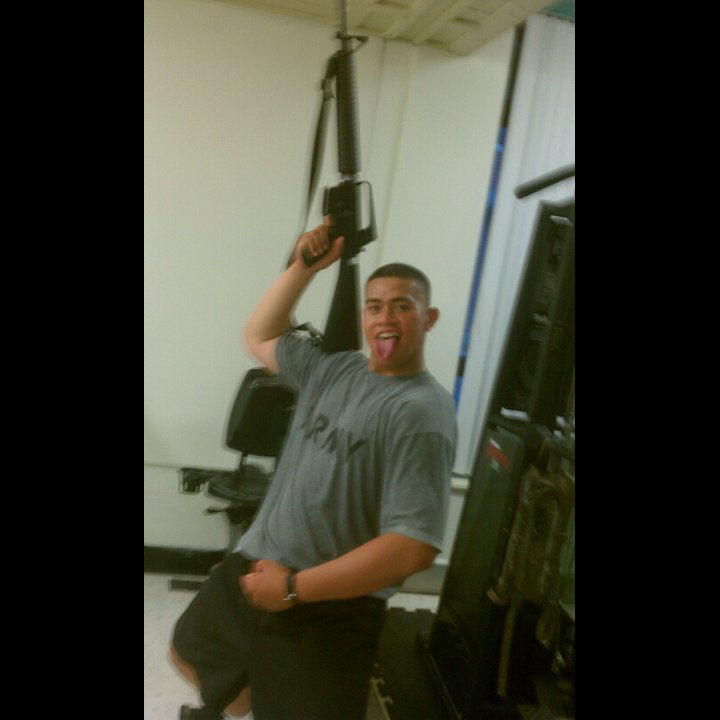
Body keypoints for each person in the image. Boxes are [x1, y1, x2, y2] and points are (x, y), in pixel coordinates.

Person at [169, 219, 457, 720]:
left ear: (428, 318)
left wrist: (292, 588)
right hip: (254, 565)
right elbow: (259, 334)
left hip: (328, 606)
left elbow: (413, 546)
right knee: (187, 652)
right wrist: (305, 267)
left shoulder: (420, 412)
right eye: (374, 306)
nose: (385, 318)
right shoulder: (336, 368)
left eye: (401, 306)